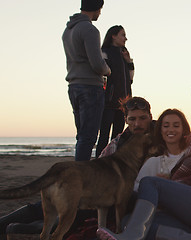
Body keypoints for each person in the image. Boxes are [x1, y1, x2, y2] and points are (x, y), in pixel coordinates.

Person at [0, 97, 153, 238]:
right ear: (126, 119)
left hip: (131, 198)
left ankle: (23, 228)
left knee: (75, 214)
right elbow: (98, 166)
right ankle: (6, 224)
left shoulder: (158, 138)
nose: (137, 124)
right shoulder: (118, 142)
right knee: (44, 205)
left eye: (142, 118)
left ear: (150, 117)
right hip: (100, 190)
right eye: (132, 119)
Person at [97, 109, 191, 240]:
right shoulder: (154, 162)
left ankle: (132, 237)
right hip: (179, 217)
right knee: (128, 221)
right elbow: (137, 193)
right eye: (166, 126)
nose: (171, 129)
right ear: (160, 131)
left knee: (150, 182)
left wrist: (167, 186)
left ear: (184, 130)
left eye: (176, 125)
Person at [62, 0, 111, 161]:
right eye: (101, 9)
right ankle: (81, 174)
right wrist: (108, 70)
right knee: (89, 136)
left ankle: (79, 170)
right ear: (96, 8)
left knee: (82, 135)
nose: (100, 13)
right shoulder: (90, 30)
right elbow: (97, 64)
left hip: (73, 85)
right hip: (90, 87)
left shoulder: (68, 31)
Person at [96, 25, 135, 158]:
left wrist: (128, 61)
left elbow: (130, 79)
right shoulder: (105, 51)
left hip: (123, 104)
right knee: (104, 135)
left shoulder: (123, 53)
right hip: (108, 102)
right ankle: (100, 162)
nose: (126, 38)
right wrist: (106, 94)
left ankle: (115, 163)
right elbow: (102, 75)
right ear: (113, 36)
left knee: (118, 136)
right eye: (123, 35)